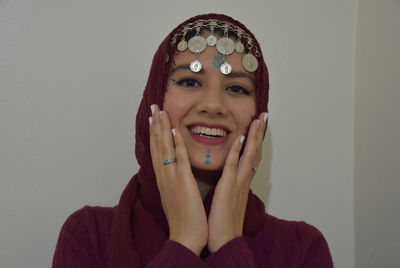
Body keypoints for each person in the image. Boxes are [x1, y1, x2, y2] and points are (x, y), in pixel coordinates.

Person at [52, 13, 333, 267]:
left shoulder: (302, 249)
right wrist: (184, 242)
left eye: (236, 87)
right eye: (190, 82)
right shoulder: (88, 236)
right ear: (155, 99)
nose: (213, 105)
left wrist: (228, 244)